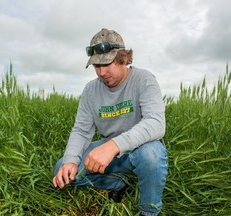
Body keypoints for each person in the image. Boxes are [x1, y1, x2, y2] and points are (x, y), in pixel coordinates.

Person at [52, 28, 168, 216]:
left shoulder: (144, 79)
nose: (101, 72)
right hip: (109, 153)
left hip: (140, 149)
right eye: (97, 66)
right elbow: (81, 131)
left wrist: (114, 145)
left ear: (123, 58)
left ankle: (149, 210)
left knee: (152, 155)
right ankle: (117, 183)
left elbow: (156, 123)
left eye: (107, 64)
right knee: (61, 169)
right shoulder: (91, 90)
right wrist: (71, 160)